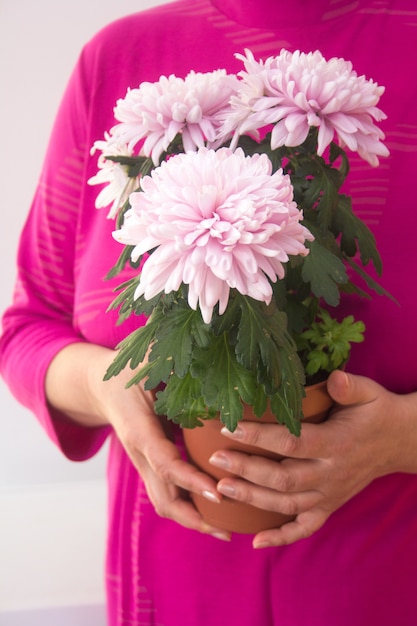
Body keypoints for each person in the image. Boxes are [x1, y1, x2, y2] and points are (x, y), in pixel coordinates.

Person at [1, 0, 417, 624]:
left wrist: (403, 439)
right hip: (171, 589)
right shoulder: (117, 60)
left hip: (386, 585)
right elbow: (26, 332)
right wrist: (106, 384)